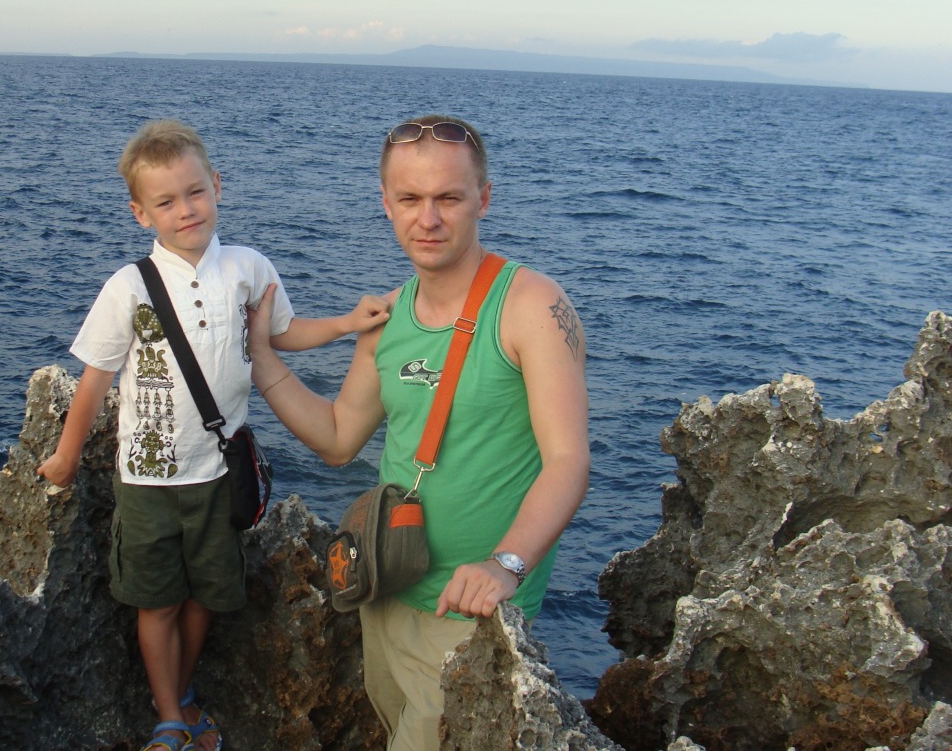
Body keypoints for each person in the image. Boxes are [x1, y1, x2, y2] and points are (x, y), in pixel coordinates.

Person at [36, 119, 390, 751]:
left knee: (206, 598)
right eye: (166, 201)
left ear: (218, 186)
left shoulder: (247, 269)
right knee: (157, 602)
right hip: (148, 480)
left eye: (195, 192)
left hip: (219, 475)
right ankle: (169, 715)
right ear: (141, 213)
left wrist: (345, 323)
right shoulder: (128, 287)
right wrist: (66, 456)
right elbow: (93, 381)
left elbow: (280, 334)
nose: (186, 210)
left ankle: (181, 693)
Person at [247, 114, 590, 751]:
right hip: (385, 590)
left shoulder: (532, 308)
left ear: (484, 198)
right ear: (386, 203)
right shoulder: (387, 318)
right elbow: (338, 438)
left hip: (471, 612)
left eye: (448, 198)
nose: (427, 219)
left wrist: (506, 564)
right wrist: (262, 359)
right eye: (410, 199)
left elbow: (568, 459)